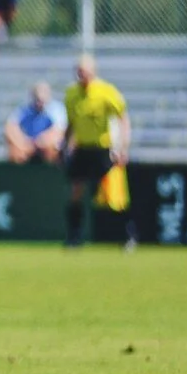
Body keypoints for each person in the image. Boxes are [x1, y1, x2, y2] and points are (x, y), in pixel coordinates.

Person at [62, 56, 133, 249]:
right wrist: (65, 145)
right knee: (75, 191)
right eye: (79, 71)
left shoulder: (106, 92)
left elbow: (123, 118)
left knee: (114, 195)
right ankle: (74, 236)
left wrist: (123, 147)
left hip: (103, 149)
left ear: (93, 72)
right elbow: (71, 123)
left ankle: (127, 236)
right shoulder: (71, 94)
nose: (81, 75)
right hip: (82, 148)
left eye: (84, 71)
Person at [5, 81, 67, 164]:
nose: (40, 102)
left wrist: (40, 142)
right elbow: (10, 128)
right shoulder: (24, 110)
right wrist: (22, 143)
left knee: (51, 148)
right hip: (28, 144)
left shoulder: (56, 109)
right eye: (37, 99)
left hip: (44, 145)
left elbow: (58, 132)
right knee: (15, 151)